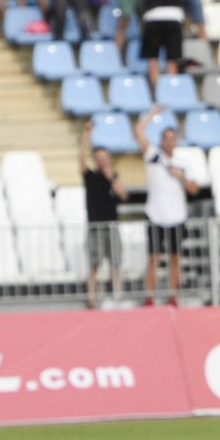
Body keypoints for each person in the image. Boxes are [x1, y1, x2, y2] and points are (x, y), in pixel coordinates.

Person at [135, 106, 198, 306]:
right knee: (154, 258)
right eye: (166, 138)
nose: (169, 142)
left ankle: (173, 295)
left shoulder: (183, 163)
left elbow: (194, 189)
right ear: (162, 140)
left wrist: (181, 177)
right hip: (156, 214)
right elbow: (138, 131)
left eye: (172, 138)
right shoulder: (153, 155)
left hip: (177, 215)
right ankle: (149, 296)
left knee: (175, 258)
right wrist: (152, 114)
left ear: (176, 140)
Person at [81, 119, 128, 308]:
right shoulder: (90, 177)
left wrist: (112, 176)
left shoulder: (114, 177)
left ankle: (118, 295)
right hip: (96, 226)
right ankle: (92, 297)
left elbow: (123, 194)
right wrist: (86, 136)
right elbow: (81, 158)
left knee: (116, 263)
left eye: (104, 158)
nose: (101, 161)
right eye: (98, 158)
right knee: (95, 263)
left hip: (111, 225)